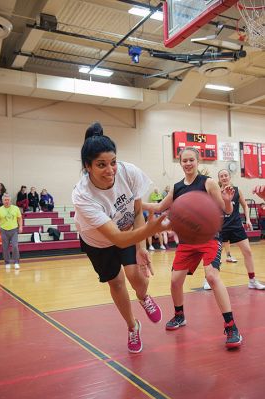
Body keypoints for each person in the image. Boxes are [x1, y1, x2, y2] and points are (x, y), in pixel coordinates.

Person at [72, 122, 166, 354]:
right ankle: (132, 326)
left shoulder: (129, 172)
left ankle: (144, 297)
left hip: (127, 230)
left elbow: (135, 213)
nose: (110, 170)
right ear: (87, 167)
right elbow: (116, 239)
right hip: (98, 242)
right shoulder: (82, 195)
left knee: (137, 277)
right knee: (116, 282)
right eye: (101, 165)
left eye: (113, 162)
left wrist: (142, 247)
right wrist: (152, 230)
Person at [143, 147, 242, 349]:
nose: (188, 163)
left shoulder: (208, 183)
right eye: (184, 161)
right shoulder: (177, 187)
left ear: (198, 161)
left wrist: (227, 201)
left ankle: (231, 326)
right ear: (180, 163)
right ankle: (180, 315)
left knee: (212, 277)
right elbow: (159, 207)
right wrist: (137, 204)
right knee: (174, 281)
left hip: (209, 237)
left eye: (191, 160)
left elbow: (227, 210)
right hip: (188, 241)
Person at [206, 169, 264, 291]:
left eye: (226, 175)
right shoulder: (216, 192)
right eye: (221, 176)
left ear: (229, 177)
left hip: (236, 226)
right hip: (220, 227)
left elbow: (245, 205)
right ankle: (208, 280)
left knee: (247, 251)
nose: (224, 177)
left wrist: (247, 219)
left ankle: (252, 280)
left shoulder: (237, 191)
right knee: (214, 255)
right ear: (219, 178)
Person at [0, 193, 23, 270]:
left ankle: (16, 262)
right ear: (2, 201)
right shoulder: (0, 209)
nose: (7, 201)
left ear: (10, 200)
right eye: (5, 200)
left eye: (8, 200)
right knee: (5, 247)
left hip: (14, 230)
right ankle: (7, 262)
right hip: (3, 230)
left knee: (15, 246)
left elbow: (19, 218)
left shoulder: (16, 208)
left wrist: (20, 227)